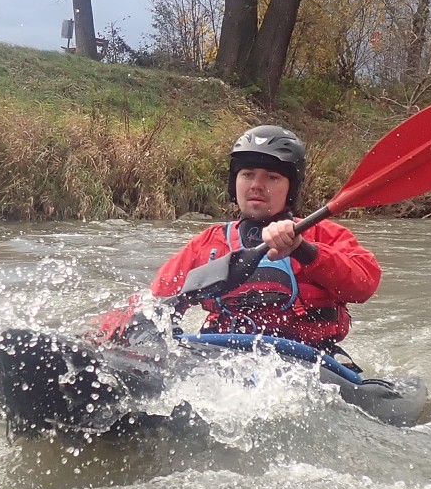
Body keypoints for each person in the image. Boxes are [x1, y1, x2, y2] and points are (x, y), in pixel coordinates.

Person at [145, 125, 380, 352]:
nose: (257, 185)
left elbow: (364, 285)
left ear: (291, 188)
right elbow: (153, 304)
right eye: (248, 174)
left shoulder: (323, 234)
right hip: (221, 358)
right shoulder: (207, 244)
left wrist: (304, 250)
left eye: (272, 177)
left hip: (310, 359)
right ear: (234, 182)